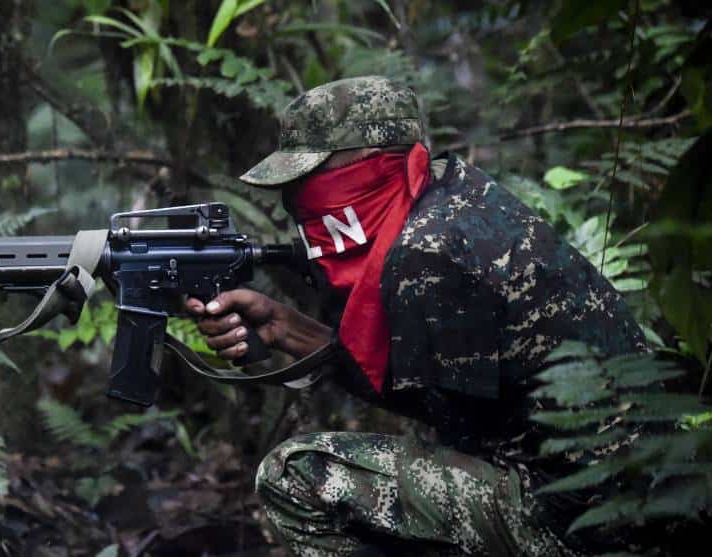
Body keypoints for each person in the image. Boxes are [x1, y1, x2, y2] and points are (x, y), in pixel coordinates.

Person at [185, 76, 646, 557]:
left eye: (312, 175)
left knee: (294, 475)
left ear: (373, 161)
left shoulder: (427, 254)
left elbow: (459, 437)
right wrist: (289, 329)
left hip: (589, 519)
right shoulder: (453, 194)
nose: (300, 196)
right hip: (636, 485)